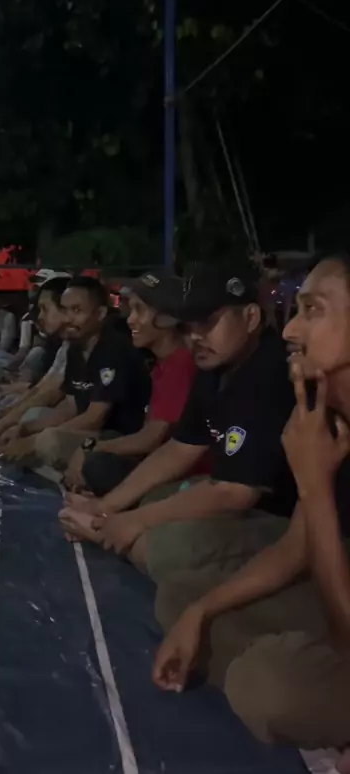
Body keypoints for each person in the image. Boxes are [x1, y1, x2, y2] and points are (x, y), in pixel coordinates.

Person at [152, 252, 350, 758]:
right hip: (335, 588)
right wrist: (203, 610)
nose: (291, 330)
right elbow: (298, 547)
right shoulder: (326, 412)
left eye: (313, 310)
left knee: (269, 687)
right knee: (181, 600)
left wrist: (314, 484)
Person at [80, 260, 297, 584]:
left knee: (163, 548)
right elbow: (180, 448)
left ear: (251, 318)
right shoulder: (216, 365)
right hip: (228, 497)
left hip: (281, 520)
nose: (195, 335)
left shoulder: (271, 372)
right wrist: (105, 508)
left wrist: (128, 523)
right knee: (149, 503)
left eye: (207, 321)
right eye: (188, 325)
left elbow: (235, 494)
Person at [60, 272, 199, 535]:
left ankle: (118, 513)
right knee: (102, 459)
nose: (130, 319)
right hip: (162, 465)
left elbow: (151, 439)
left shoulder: (181, 364)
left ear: (167, 318)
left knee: (99, 465)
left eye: (139, 310)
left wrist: (90, 447)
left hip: (186, 478)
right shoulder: (164, 362)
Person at [5, 275, 150, 469]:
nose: (67, 319)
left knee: (49, 442)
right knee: (31, 423)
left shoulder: (113, 349)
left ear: (100, 314)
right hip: (91, 432)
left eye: (77, 310)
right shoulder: (76, 347)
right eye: (65, 310)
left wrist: (34, 441)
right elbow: (70, 407)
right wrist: (23, 429)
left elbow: (94, 419)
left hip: (117, 437)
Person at [0, 276, 70, 455]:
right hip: (61, 411)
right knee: (12, 405)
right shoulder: (66, 345)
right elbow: (42, 387)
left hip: (88, 434)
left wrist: (6, 426)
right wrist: (0, 419)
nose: (40, 316)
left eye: (45, 309)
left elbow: (51, 394)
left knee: (31, 417)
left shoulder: (91, 346)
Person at [0, 269, 70, 382]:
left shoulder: (74, 346)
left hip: (40, 359)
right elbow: (23, 349)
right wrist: (10, 368)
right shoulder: (28, 318)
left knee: (37, 352)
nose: (33, 287)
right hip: (30, 361)